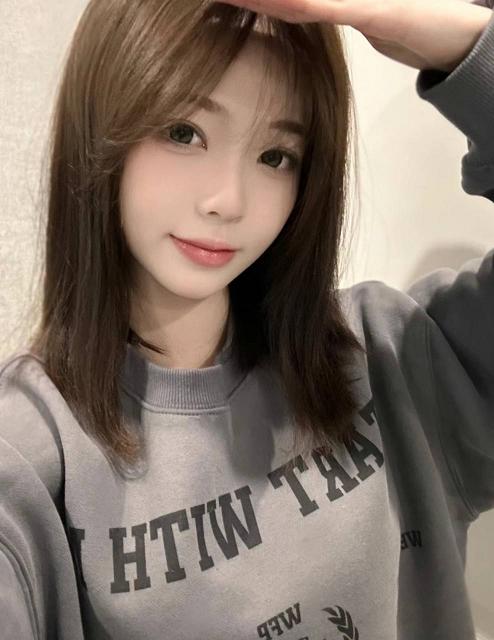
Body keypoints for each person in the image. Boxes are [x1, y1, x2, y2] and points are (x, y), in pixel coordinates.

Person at [1, 0, 493, 637]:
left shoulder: (392, 357)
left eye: (276, 156)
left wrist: (467, 47)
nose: (228, 201)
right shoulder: (30, 453)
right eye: (184, 132)